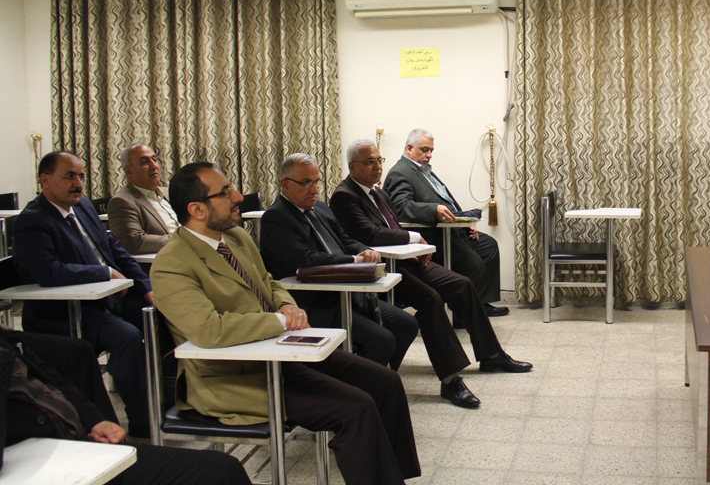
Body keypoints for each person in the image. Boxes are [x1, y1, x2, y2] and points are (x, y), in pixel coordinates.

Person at [149, 162, 420, 485]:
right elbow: (210, 330)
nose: (238, 197)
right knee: (356, 407)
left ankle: (396, 476)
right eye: (225, 193)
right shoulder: (172, 264)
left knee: (385, 382)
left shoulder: (235, 237)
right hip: (235, 377)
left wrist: (287, 305)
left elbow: (269, 281)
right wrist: (279, 320)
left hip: (281, 353)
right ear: (197, 209)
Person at [330, 142, 533, 408]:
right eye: (370, 162)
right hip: (381, 271)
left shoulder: (377, 193)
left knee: (461, 285)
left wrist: (415, 249)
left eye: (379, 160)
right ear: (352, 166)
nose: (378, 167)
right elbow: (369, 234)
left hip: (406, 261)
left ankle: (492, 355)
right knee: (430, 299)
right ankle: (450, 380)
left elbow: (393, 226)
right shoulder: (344, 196)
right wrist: (414, 238)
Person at [11, 151, 153, 438]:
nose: (78, 183)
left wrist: (146, 287)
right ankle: (142, 422)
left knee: (163, 314)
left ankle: (166, 397)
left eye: (81, 176)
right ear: (45, 180)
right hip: (69, 313)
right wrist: (104, 273)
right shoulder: (32, 221)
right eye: (69, 176)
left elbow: (114, 249)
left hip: (111, 297)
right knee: (126, 338)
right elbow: (48, 271)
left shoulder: (83, 206)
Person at [0, 327, 252, 485]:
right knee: (220, 472)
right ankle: (142, 420)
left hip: (71, 440)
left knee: (222, 469)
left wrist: (94, 419)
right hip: (42, 457)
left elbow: (45, 372)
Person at [259, 153, 419, 373]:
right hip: (317, 302)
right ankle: (357, 387)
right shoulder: (276, 218)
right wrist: (353, 260)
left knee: (406, 325)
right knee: (382, 341)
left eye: (316, 182)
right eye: (306, 183)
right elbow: (304, 259)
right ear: (285, 184)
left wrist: (364, 250)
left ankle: (377, 382)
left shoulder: (320, 208)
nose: (314, 190)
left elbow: (344, 240)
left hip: (348, 294)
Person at [383, 128, 507, 316]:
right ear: (409, 148)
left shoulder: (423, 171)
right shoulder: (400, 172)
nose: (429, 155)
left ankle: (479, 303)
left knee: (489, 246)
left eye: (431, 150)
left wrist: (467, 222)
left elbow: (447, 202)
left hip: (451, 229)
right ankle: (458, 313)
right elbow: (401, 208)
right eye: (424, 150)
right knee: (474, 264)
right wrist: (433, 210)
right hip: (433, 235)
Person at [108, 143, 180, 255]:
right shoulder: (122, 202)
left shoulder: (168, 192)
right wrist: (183, 241)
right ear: (129, 171)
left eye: (154, 160)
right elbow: (134, 242)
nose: (154, 166)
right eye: (145, 162)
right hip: (167, 258)